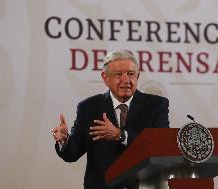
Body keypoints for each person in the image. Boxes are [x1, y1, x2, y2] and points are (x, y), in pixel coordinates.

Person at [51, 50, 170, 189]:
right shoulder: (89, 107)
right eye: (118, 75)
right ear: (105, 77)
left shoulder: (156, 105)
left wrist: (121, 135)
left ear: (138, 76)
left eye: (131, 74)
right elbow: (73, 154)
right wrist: (65, 141)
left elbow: (161, 145)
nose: (126, 80)